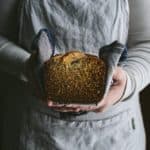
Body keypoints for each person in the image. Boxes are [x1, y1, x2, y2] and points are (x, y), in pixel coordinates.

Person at [0, 0, 150, 149]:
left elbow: (146, 42)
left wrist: (128, 83)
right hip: (34, 128)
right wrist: (25, 66)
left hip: (115, 133)